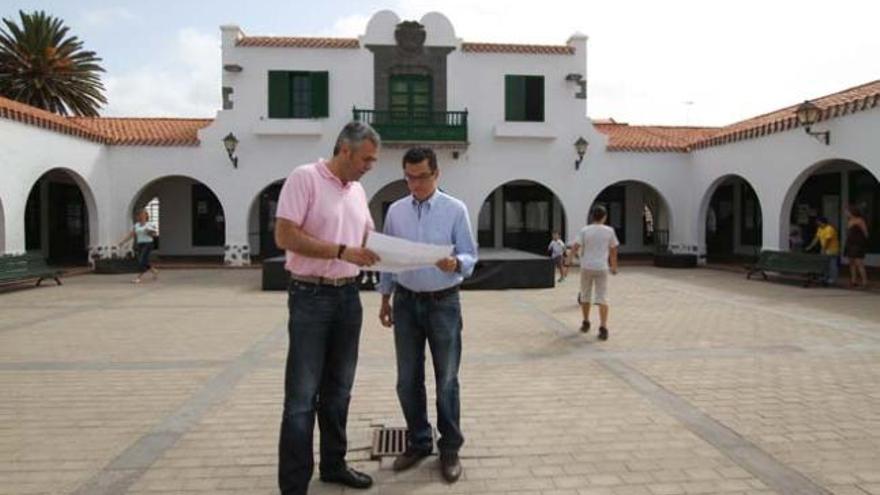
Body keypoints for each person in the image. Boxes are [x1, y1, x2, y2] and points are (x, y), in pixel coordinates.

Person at [274, 122, 382, 495]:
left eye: (373, 160)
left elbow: (367, 237)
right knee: (302, 396)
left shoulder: (357, 190)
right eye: (366, 159)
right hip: (310, 297)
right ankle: (293, 485)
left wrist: (405, 254)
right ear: (344, 150)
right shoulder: (304, 178)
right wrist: (340, 251)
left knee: (339, 390)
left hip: (349, 297)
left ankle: (334, 465)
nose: (370, 165)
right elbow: (285, 235)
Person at [377, 147, 477, 484]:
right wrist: (385, 298)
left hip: (443, 303)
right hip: (406, 303)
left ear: (436, 174)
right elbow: (388, 257)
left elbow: (469, 254)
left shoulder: (455, 210)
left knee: (447, 380)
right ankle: (419, 441)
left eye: (421, 176)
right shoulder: (396, 211)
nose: (414, 184)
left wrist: (457, 264)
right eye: (408, 177)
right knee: (407, 380)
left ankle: (449, 447)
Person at [573, 205, 619, 341]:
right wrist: (614, 266)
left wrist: (568, 260)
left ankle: (586, 322)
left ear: (592, 216)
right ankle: (603, 327)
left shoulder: (585, 230)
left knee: (585, 295)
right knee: (602, 297)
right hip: (601, 267)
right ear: (605, 217)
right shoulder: (609, 231)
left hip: (586, 266)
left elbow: (576, 246)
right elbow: (613, 250)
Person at [117, 209, 159, 283]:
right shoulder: (136, 225)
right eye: (140, 214)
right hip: (140, 244)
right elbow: (131, 235)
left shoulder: (150, 224)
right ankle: (154, 271)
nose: (142, 216)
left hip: (148, 243)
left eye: (144, 214)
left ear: (146, 215)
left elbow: (154, 234)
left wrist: (148, 232)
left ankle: (138, 277)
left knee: (142, 260)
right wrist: (123, 242)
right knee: (143, 260)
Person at [806, 216, 840, 286]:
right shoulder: (820, 229)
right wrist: (810, 246)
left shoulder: (829, 229)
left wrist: (824, 249)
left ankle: (832, 279)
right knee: (825, 264)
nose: (817, 224)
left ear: (823, 222)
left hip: (832, 250)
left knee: (832, 265)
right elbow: (816, 238)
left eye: (819, 223)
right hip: (825, 249)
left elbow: (828, 240)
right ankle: (825, 277)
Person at [844, 205, 870, 288]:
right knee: (851, 262)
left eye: (847, 211)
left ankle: (865, 282)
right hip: (850, 243)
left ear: (852, 212)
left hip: (858, 244)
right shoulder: (849, 220)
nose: (846, 213)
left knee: (859, 263)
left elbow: (865, 233)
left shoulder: (860, 220)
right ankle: (853, 281)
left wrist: (862, 242)